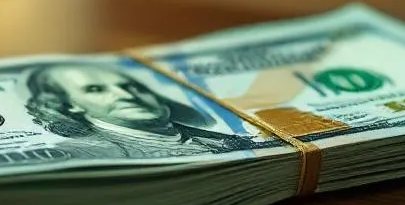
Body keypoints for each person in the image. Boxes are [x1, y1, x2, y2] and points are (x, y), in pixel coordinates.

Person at [24, 63, 255, 159]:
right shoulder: (86, 153)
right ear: (69, 104)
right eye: (95, 90)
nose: (126, 95)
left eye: (132, 86)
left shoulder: (231, 139)